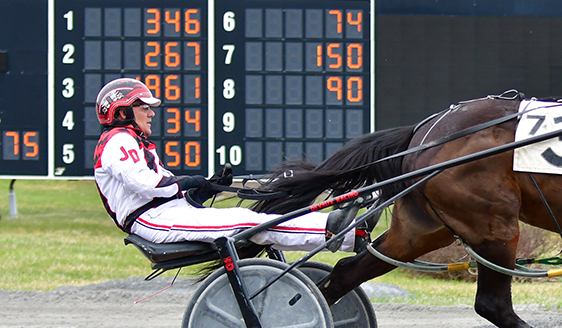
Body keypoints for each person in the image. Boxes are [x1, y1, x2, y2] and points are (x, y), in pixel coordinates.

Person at [93, 78, 362, 252]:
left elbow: (162, 191)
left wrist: (206, 188)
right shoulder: (118, 142)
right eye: (144, 107)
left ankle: (345, 229)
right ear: (121, 112)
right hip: (152, 221)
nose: (151, 113)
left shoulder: (130, 142)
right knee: (247, 222)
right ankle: (334, 230)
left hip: (165, 214)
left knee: (253, 220)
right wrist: (186, 181)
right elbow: (147, 186)